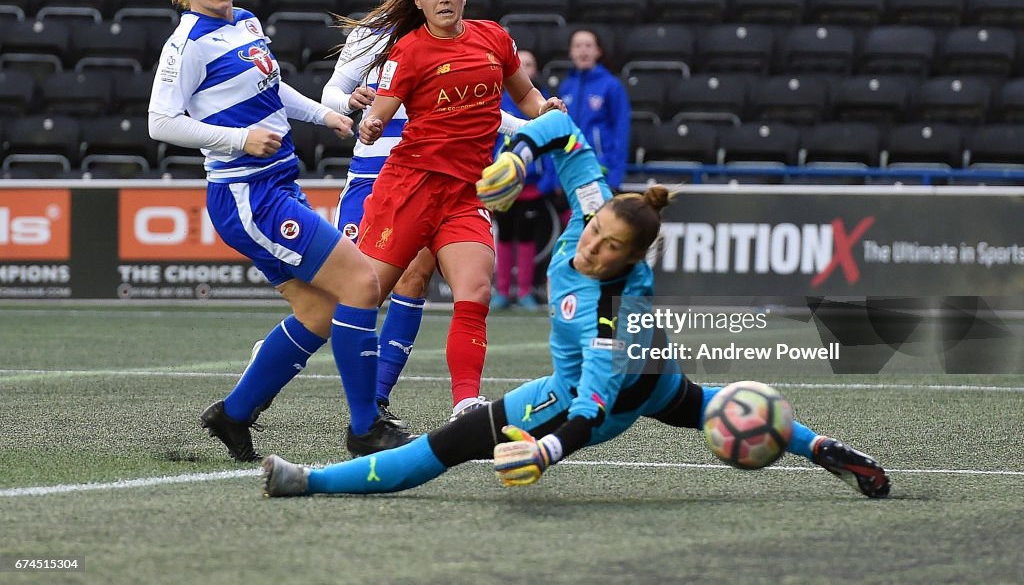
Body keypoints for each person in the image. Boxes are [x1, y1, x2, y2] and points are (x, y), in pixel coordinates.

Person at [260, 111, 891, 500]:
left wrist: (545, 451)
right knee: (703, 405)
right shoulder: (595, 204)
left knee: (446, 445)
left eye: (609, 250)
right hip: (658, 379)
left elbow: (591, 407)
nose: (590, 249)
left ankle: (306, 481)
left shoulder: (612, 310)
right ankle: (827, 450)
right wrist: (519, 154)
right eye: (594, 234)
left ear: (630, 261)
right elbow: (562, 128)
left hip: (604, 393)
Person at [148, 0, 414, 461]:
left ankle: (233, 413)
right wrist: (239, 138)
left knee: (318, 313)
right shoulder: (186, 45)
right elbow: (160, 122)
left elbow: (273, 88)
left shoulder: (245, 22)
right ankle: (366, 426)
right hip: (248, 197)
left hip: (276, 188)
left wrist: (325, 116)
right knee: (362, 283)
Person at [345, 0, 563, 422]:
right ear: (418, 1)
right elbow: (382, 112)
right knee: (360, 295)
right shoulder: (408, 51)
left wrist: (545, 108)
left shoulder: (494, 38)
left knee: (476, 290)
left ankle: (466, 404)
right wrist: (370, 125)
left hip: (465, 193)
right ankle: (281, 358)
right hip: (409, 188)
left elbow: (526, 97)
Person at [491, 49, 556, 311]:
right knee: (504, 236)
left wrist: (548, 180)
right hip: (504, 187)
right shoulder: (498, 100)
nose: (525, 68)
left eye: (530, 64)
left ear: (536, 70)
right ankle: (503, 291)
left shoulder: (542, 104)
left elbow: (552, 142)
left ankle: (526, 290)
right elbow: (490, 141)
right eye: (521, 63)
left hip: (532, 186)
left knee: (528, 238)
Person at [558, 28, 632, 192]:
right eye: (577, 46)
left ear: (598, 51)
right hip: (570, 170)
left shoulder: (611, 86)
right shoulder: (566, 87)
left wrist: (615, 176)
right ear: (571, 52)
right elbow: (559, 131)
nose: (583, 50)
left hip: (600, 170)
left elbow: (621, 131)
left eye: (588, 45)